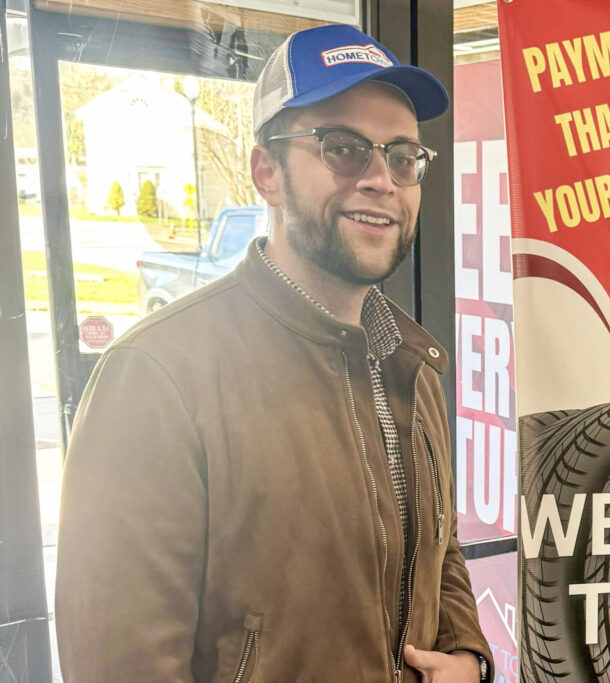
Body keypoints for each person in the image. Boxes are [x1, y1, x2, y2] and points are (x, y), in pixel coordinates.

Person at [56, 24, 492, 683]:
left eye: (403, 157)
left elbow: (440, 546)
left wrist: (466, 654)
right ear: (268, 173)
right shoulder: (158, 378)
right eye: (344, 149)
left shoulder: (408, 362)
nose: (382, 179)